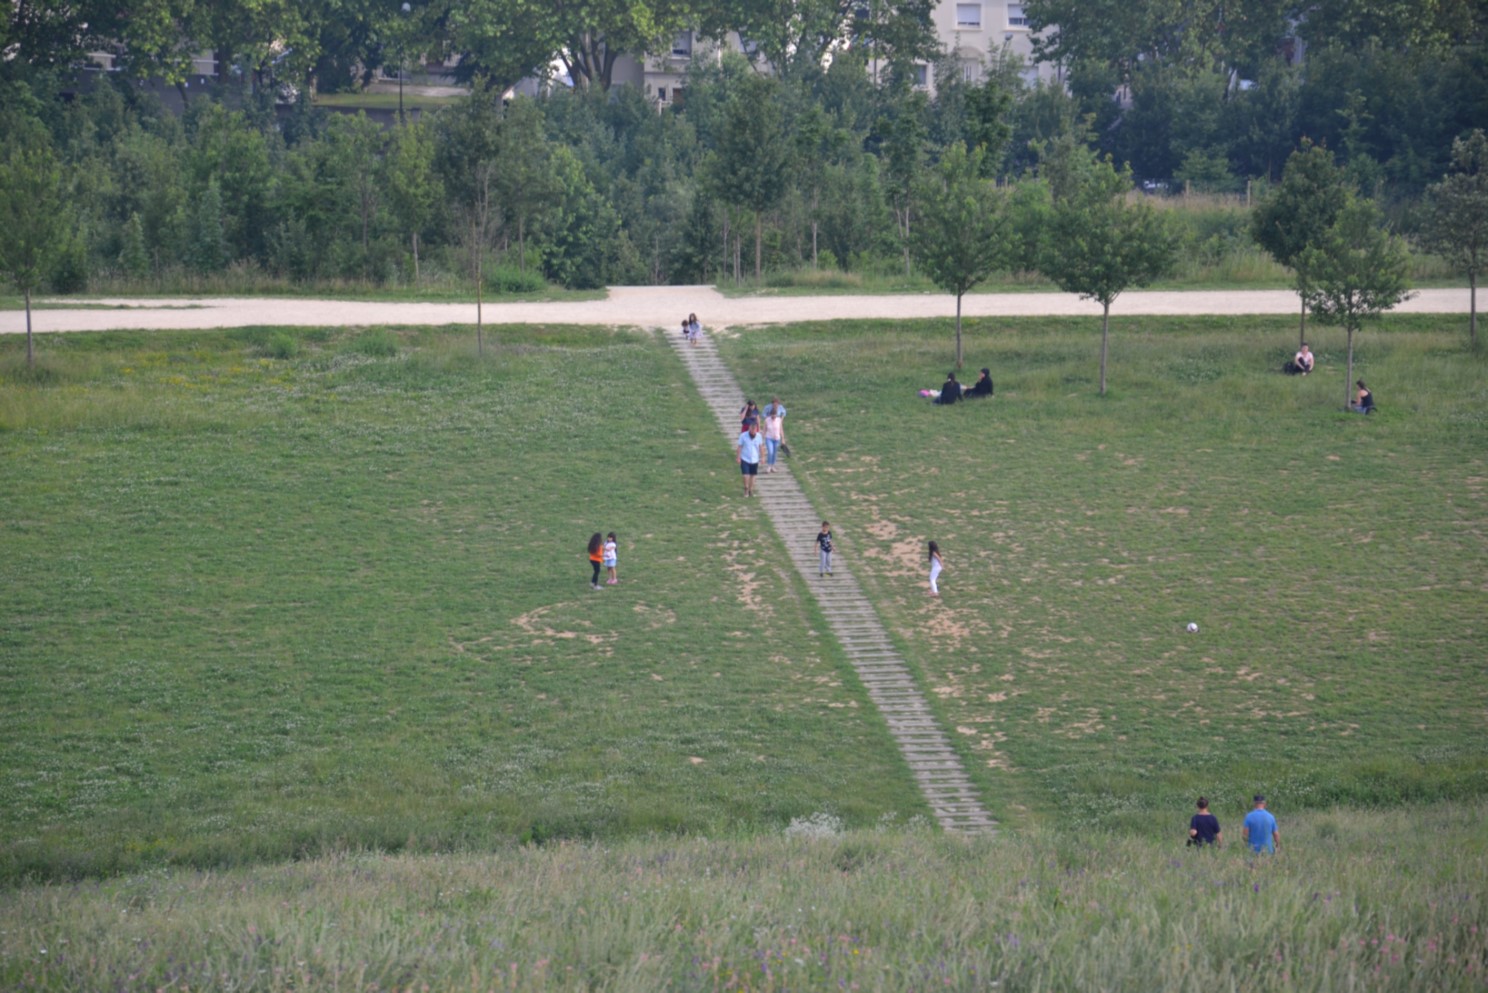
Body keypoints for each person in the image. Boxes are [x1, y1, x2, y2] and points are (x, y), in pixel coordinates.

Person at [736, 420, 765, 497]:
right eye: (752, 430)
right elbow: (739, 446)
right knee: (746, 475)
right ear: (749, 429)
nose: (753, 432)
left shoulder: (759, 436)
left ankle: (751, 490)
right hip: (745, 458)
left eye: (754, 430)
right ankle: (746, 488)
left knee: (753, 475)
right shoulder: (743, 436)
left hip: (755, 459)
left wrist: (762, 457)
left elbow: (761, 447)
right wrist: (738, 457)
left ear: (756, 429)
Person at [763, 403, 786, 473]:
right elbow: (764, 430)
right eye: (772, 416)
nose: (773, 417)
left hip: (777, 439)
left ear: (776, 415)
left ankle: (773, 465)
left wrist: (783, 438)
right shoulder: (767, 420)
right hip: (769, 438)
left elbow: (781, 429)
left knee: (775, 452)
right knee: (770, 451)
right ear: (770, 415)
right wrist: (762, 438)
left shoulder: (779, 420)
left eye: (775, 416)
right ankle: (769, 466)